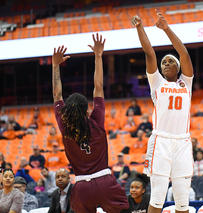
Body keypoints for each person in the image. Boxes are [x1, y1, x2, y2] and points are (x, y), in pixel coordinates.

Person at [52, 33, 128, 212]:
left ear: (67, 112)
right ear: (87, 109)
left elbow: (57, 95)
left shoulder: (65, 127)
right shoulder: (96, 120)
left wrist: (55, 66)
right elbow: (98, 87)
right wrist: (98, 56)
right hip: (105, 182)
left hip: (81, 187)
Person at [133, 10, 194, 213]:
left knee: (182, 200)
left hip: (183, 141)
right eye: (164, 62)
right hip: (161, 141)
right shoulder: (157, 82)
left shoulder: (186, 83)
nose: (166, 64)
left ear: (177, 68)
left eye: (170, 62)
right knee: (158, 196)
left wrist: (166, 28)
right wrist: (140, 27)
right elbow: (150, 53)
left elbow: (184, 53)